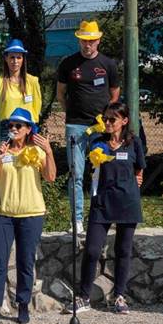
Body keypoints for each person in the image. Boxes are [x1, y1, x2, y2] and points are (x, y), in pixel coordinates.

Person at [66, 102, 145, 315]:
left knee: (123, 250)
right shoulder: (97, 142)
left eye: (112, 119)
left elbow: (139, 168)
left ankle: (119, 295)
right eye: (105, 118)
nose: (108, 122)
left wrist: (137, 180)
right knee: (92, 250)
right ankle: (84, 297)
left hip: (127, 202)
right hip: (102, 202)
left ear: (124, 121)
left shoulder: (134, 143)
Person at [0, 107, 56, 324]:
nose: (13, 128)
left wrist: (49, 152)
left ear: (28, 129)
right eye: (11, 125)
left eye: (18, 125)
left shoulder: (36, 151)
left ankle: (23, 305)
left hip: (31, 214)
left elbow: (50, 177)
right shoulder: (0, 148)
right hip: (2, 214)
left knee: (26, 261)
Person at [56, 20, 120, 233]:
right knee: (76, 174)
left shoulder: (108, 64)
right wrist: (71, 114)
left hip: (100, 127)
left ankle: (104, 216)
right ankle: (77, 220)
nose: (87, 44)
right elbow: (60, 94)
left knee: (105, 172)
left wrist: (107, 120)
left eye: (91, 41)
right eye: (84, 40)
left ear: (98, 40)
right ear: (79, 40)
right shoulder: (68, 64)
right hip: (75, 126)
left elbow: (114, 94)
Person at [0, 39, 42, 141]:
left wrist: (32, 130)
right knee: (5, 152)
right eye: (12, 57)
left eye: (19, 57)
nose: (15, 61)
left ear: (23, 59)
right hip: (6, 128)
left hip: (26, 128)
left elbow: (36, 107)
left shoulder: (32, 81)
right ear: (6, 58)